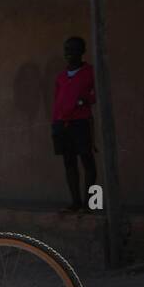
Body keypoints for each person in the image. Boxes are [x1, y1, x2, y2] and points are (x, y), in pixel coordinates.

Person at [52, 35, 97, 213]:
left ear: (82, 51)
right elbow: (57, 101)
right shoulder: (61, 77)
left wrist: (83, 101)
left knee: (88, 162)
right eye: (67, 49)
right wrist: (55, 123)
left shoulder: (90, 72)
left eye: (73, 49)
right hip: (62, 125)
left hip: (81, 122)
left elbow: (96, 94)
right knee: (69, 163)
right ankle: (76, 202)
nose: (69, 53)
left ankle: (92, 203)